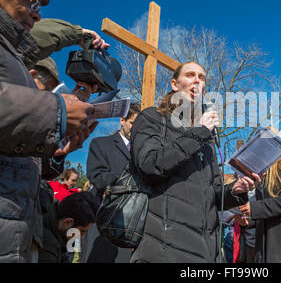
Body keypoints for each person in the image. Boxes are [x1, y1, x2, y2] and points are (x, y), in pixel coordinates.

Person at [0, 0, 93, 263]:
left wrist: (56, 153)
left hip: (18, 229)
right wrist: (58, 112)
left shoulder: (12, 55)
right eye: (30, 1)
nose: (38, 14)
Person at [129, 61, 261, 263]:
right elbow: (150, 164)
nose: (197, 81)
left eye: (202, 77)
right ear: (174, 84)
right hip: (163, 248)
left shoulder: (206, 140)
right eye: (190, 75)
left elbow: (215, 193)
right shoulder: (153, 118)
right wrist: (199, 132)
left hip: (206, 251)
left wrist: (236, 190)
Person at [84, 103, 140, 263]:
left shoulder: (142, 152)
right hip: (107, 221)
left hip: (134, 224)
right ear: (122, 120)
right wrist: (130, 181)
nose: (135, 130)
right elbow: (97, 176)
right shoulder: (101, 144)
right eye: (132, 124)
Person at [38, 192, 100, 263]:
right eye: (82, 231)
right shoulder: (47, 244)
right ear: (67, 222)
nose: (81, 237)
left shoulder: (59, 233)